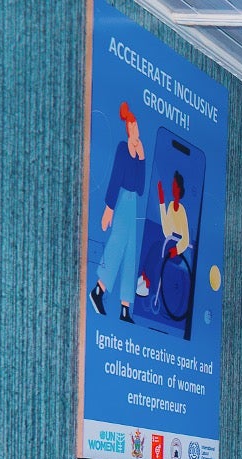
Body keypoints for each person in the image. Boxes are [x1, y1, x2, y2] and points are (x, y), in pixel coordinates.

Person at [88, 103, 146, 323]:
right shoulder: (122, 148)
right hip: (121, 200)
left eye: (137, 129)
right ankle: (98, 291)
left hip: (132, 205)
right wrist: (109, 209)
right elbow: (115, 179)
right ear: (128, 129)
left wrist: (141, 159)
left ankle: (124, 308)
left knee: (131, 252)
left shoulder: (138, 152)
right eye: (133, 129)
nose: (136, 133)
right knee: (116, 245)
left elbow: (140, 188)